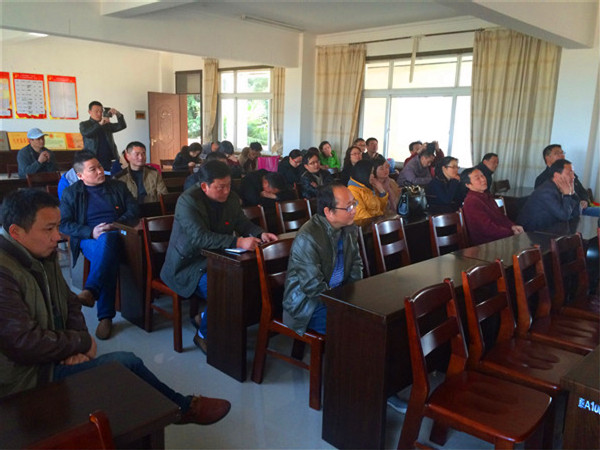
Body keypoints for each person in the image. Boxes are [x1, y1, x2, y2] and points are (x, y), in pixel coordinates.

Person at [0, 189, 231, 425]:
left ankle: (168, 412)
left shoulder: (40, 252)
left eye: (57, 227)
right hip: (26, 377)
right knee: (126, 363)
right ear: (16, 232)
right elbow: (23, 342)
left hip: (53, 355)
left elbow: (69, 303)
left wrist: (76, 347)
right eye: (48, 229)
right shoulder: (5, 271)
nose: (57, 237)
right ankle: (182, 409)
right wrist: (82, 342)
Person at [160, 160, 277, 353]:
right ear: (204, 186)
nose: (226, 191)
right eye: (220, 187)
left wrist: (260, 233)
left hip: (219, 259)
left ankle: (205, 318)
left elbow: (241, 222)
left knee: (252, 281)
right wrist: (238, 242)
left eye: (229, 185)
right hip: (189, 264)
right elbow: (199, 237)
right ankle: (203, 335)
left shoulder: (231, 198)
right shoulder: (188, 201)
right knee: (226, 288)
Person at [59, 151, 139, 340]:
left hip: (120, 234)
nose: (100, 171)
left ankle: (93, 293)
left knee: (108, 242)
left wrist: (115, 224)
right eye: (93, 169)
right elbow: (64, 224)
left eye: (100, 167)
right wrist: (91, 232)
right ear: (80, 175)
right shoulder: (72, 193)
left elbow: (134, 210)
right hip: (89, 239)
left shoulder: (118, 186)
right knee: (106, 249)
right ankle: (105, 316)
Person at [282, 183, 363, 335]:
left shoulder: (349, 229)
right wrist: (343, 304)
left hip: (338, 296)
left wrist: (354, 298)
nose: (354, 210)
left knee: (371, 318)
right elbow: (313, 287)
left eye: (354, 204)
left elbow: (356, 265)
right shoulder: (308, 237)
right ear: (328, 212)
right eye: (348, 207)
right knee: (353, 327)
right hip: (307, 306)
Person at [461, 167, 524, 245]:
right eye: (477, 178)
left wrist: (512, 226)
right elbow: (487, 229)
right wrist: (511, 232)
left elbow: (501, 217)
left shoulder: (485, 195)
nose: (483, 179)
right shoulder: (472, 201)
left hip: (500, 238)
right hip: (486, 244)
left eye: (482, 176)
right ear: (468, 185)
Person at [534, 144, 599, 217]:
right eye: (557, 153)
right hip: (563, 214)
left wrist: (584, 200)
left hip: (581, 209)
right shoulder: (542, 179)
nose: (562, 156)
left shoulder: (570, 174)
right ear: (547, 158)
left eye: (562, 153)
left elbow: (582, 191)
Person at [518, 159, 581, 231]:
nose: (573, 177)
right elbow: (564, 216)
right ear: (557, 175)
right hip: (531, 232)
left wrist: (572, 194)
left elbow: (576, 214)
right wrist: (567, 195)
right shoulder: (546, 191)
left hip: (549, 229)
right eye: (569, 173)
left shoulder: (559, 188)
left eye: (573, 173)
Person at [79, 101, 126, 171]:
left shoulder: (106, 124)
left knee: (112, 175)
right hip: (93, 158)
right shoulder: (84, 124)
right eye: (96, 111)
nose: (99, 114)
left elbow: (122, 126)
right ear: (89, 112)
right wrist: (100, 124)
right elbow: (87, 133)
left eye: (101, 111)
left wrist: (118, 114)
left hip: (109, 158)